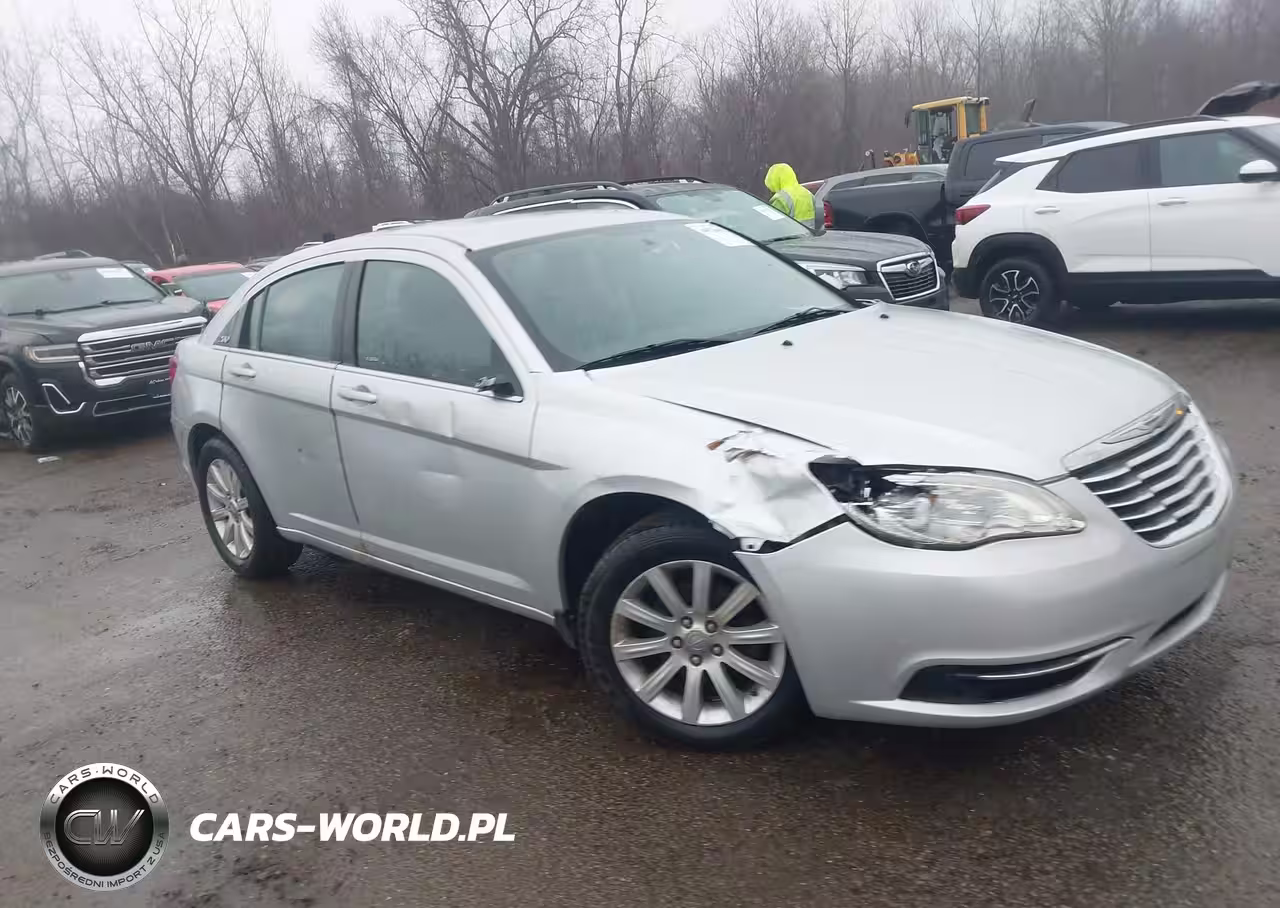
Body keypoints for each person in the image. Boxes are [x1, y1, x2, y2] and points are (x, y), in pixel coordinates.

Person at [763, 163, 816, 228]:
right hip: (810, 235)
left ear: (775, 180)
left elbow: (772, 224)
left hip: (791, 235)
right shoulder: (807, 193)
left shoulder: (780, 198)